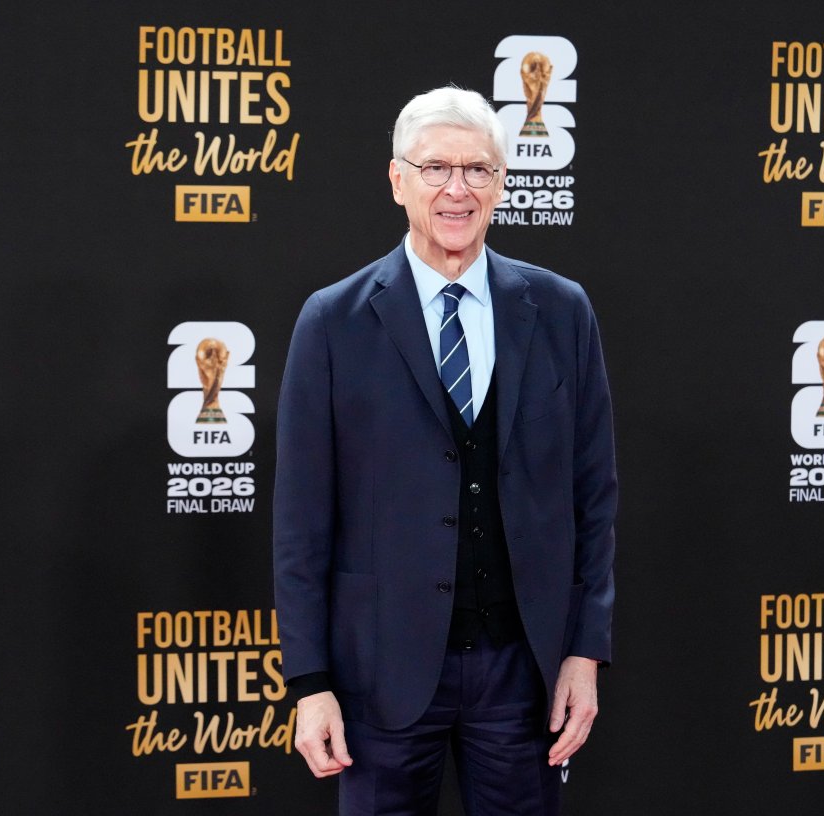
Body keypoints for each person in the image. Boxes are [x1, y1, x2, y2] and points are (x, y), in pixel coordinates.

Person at [273, 85, 617, 815]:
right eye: (435, 168)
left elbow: (594, 497)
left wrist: (583, 652)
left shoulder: (561, 311)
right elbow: (300, 521)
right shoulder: (332, 322)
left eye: (477, 169)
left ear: (501, 183)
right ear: (398, 181)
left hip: (522, 674)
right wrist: (309, 683)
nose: (457, 189)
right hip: (379, 675)